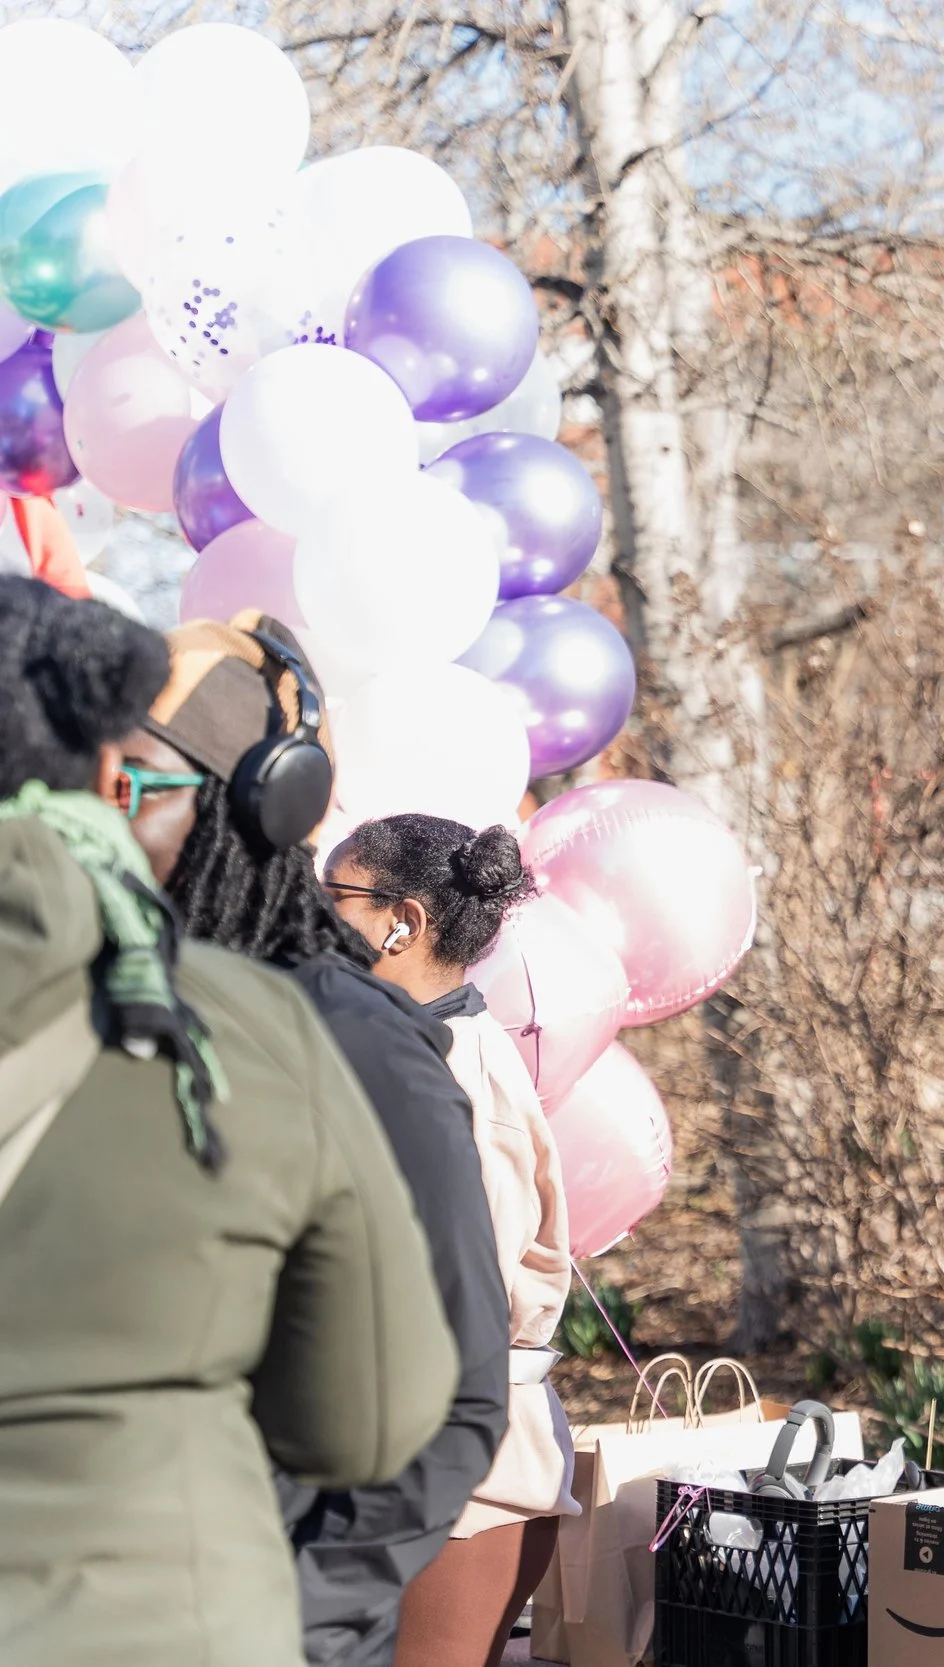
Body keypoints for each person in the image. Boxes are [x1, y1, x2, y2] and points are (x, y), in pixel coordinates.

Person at [0, 576, 458, 1662]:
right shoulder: (260, 1030)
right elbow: (367, 1410)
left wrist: (321, 1616)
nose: (120, 812)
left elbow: (434, 1426)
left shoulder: (347, 1040)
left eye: (147, 785)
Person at [119, 613, 510, 1667]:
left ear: (251, 803)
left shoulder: (354, 1042)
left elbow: (455, 1394)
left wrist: (292, 1614)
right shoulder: (103, 1011)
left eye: (127, 792)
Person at [324, 812, 577, 1667]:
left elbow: (472, 1287)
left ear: (405, 921)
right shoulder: (404, 1049)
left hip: (464, 1467)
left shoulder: (466, 1071)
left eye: (335, 898)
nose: (313, 918)